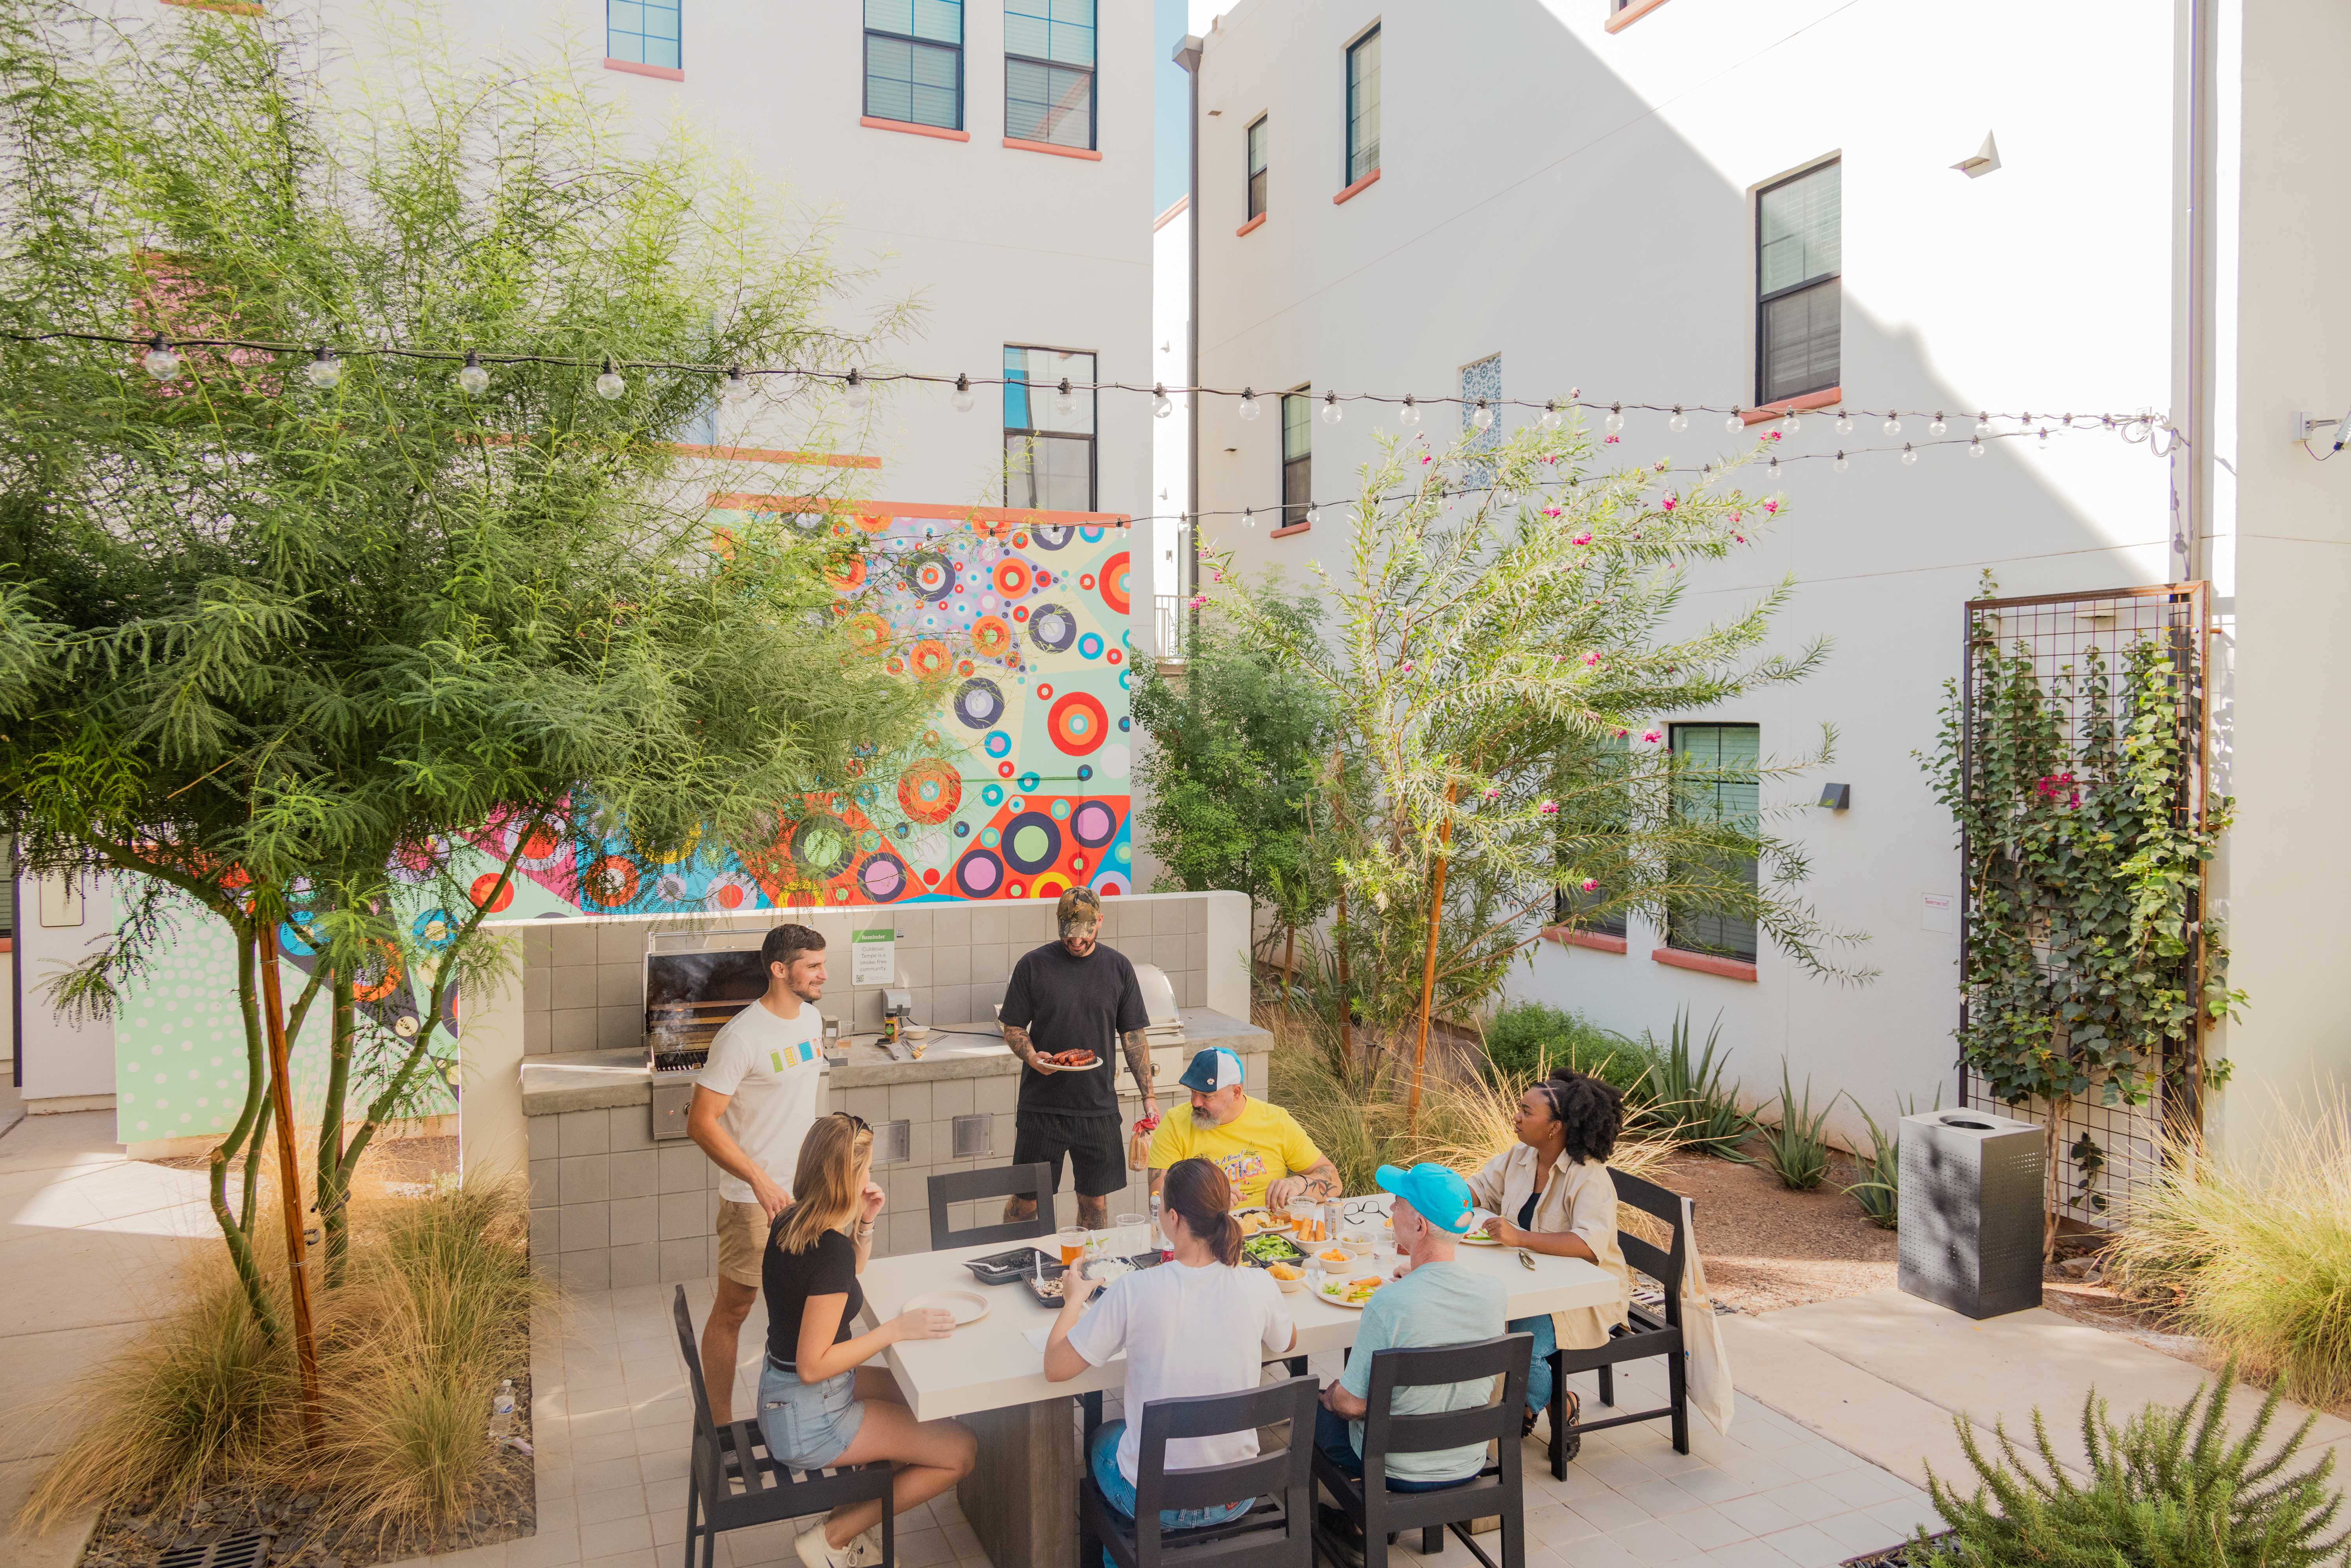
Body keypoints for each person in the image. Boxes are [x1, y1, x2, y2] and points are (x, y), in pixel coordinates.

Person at [1043, 1157, 1297, 1562]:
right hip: (1237, 1496)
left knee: (1102, 1440)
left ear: (1174, 1218)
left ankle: (1124, 1556)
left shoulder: (1136, 1289)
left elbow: (1056, 1368)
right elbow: (1287, 1341)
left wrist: (1073, 1300)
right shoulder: (1257, 1282)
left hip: (1156, 1501)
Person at [760, 1113, 979, 1568]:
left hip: (786, 1398)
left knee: (922, 1400)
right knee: (961, 1451)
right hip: (810, 1413)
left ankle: (843, 1521)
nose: (870, 1178)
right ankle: (835, 1537)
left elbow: (843, 1283)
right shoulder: (829, 1251)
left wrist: (864, 1224)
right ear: (847, 1177)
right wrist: (894, 1331)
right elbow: (813, 1364)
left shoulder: (791, 1222)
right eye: (867, 1169)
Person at [1314, 1162, 1509, 1565]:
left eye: (1397, 1204)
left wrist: (1330, 1394)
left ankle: (1351, 1524)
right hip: (1467, 1456)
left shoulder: (1389, 1306)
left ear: (1418, 1225)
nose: (1390, 1211)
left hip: (1398, 1464)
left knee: (1310, 1414)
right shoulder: (1493, 1293)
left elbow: (1351, 1405)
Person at [690, 922, 831, 1425]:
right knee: (735, 1309)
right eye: (813, 966)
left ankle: (809, 1414)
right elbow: (700, 1122)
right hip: (755, 1202)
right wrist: (758, 1179)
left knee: (812, 1308)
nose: (823, 974)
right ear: (780, 969)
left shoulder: (811, 1021)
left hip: (809, 1195)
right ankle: (720, 1428)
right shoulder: (741, 1037)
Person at [1467, 1067, 1632, 1442]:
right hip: (1529, 1281)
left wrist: (1521, 1237)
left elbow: (1588, 1246)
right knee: (1477, 1322)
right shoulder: (1522, 1156)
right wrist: (1440, 1198)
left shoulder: (1589, 1175)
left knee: (1517, 1347)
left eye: (1527, 1111)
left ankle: (1549, 1403)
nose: (1517, 1117)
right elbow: (1480, 1189)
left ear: (1556, 1127)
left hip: (1582, 1296)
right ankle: (1530, 1404)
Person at [997, 885, 1161, 1230]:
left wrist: (1149, 1096)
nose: (1075, 943)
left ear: (1099, 922)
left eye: (1083, 936)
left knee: (1095, 1203)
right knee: (1026, 1202)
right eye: (1068, 935)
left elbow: (1133, 1036)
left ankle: (1090, 1271)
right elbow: (1012, 1025)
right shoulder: (1033, 965)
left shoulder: (1119, 968)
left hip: (1097, 1107)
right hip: (1042, 1107)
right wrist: (1030, 1056)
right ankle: (1012, 1258)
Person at [1147, 1045, 1339, 1212]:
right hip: (1203, 1236)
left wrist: (1300, 1183)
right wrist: (1205, 1196)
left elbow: (1333, 1180)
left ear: (1236, 1093)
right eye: (1193, 1092)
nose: (1195, 1102)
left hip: (1270, 1234)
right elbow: (1158, 1197)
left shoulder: (1276, 1121)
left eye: (1207, 1096)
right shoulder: (1174, 1123)